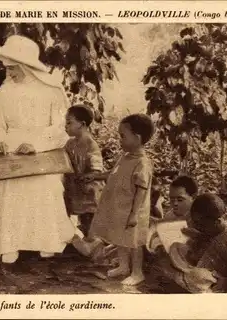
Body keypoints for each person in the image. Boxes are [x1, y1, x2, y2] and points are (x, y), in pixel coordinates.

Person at [0, 35, 76, 265]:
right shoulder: (5, 92)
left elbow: (61, 126)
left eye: (12, 68)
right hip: (11, 150)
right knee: (11, 196)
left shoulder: (52, 90)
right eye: (7, 68)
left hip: (42, 150)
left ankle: (44, 242)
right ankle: (10, 244)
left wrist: (38, 145)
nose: (8, 73)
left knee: (41, 193)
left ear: (26, 66)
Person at [88, 114, 155, 285]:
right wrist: (95, 177)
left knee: (134, 243)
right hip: (120, 208)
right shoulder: (125, 157)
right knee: (121, 239)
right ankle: (124, 266)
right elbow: (113, 174)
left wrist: (134, 214)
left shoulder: (142, 163)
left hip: (133, 211)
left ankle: (137, 272)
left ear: (137, 138)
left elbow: (142, 189)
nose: (120, 140)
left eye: (122, 136)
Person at [149, 193, 227, 293]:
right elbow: (205, 239)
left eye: (200, 224)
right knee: (176, 247)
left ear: (215, 221)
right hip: (206, 264)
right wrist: (193, 234)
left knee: (197, 276)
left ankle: (187, 278)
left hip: (220, 276)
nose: (198, 226)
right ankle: (185, 273)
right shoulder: (211, 229)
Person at [64, 105, 105, 238]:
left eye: (69, 122)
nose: (66, 126)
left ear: (82, 124)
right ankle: (87, 242)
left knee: (90, 216)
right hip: (77, 188)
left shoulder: (90, 144)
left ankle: (95, 243)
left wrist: (90, 174)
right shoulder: (70, 143)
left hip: (89, 189)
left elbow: (96, 167)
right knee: (81, 216)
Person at [147, 175, 199, 253]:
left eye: (180, 199)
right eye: (172, 199)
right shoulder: (171, 214)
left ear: (193, 197)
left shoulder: (201, 220)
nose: (174, 203)